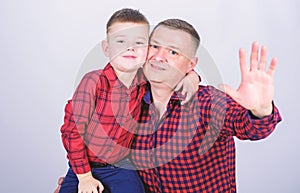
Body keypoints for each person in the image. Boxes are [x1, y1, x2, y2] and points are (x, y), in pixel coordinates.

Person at [130, 19, 282, 192]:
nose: (158, 57)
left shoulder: (208, 102)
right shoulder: (132, 100)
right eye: (155, 46)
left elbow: (250, 128)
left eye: (173, 52)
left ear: (191, 65)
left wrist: (261, 111)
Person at [58, 9, 199, 193]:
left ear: (147, 50)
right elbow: (72, 131)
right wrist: (84, 177)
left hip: (121, 166)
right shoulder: (93, 82)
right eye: (121, 41)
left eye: (139, 43)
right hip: (84, 166)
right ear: (107, 48)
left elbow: (170, 71)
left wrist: (191, 76)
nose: (130, 48)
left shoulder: (145, 79)